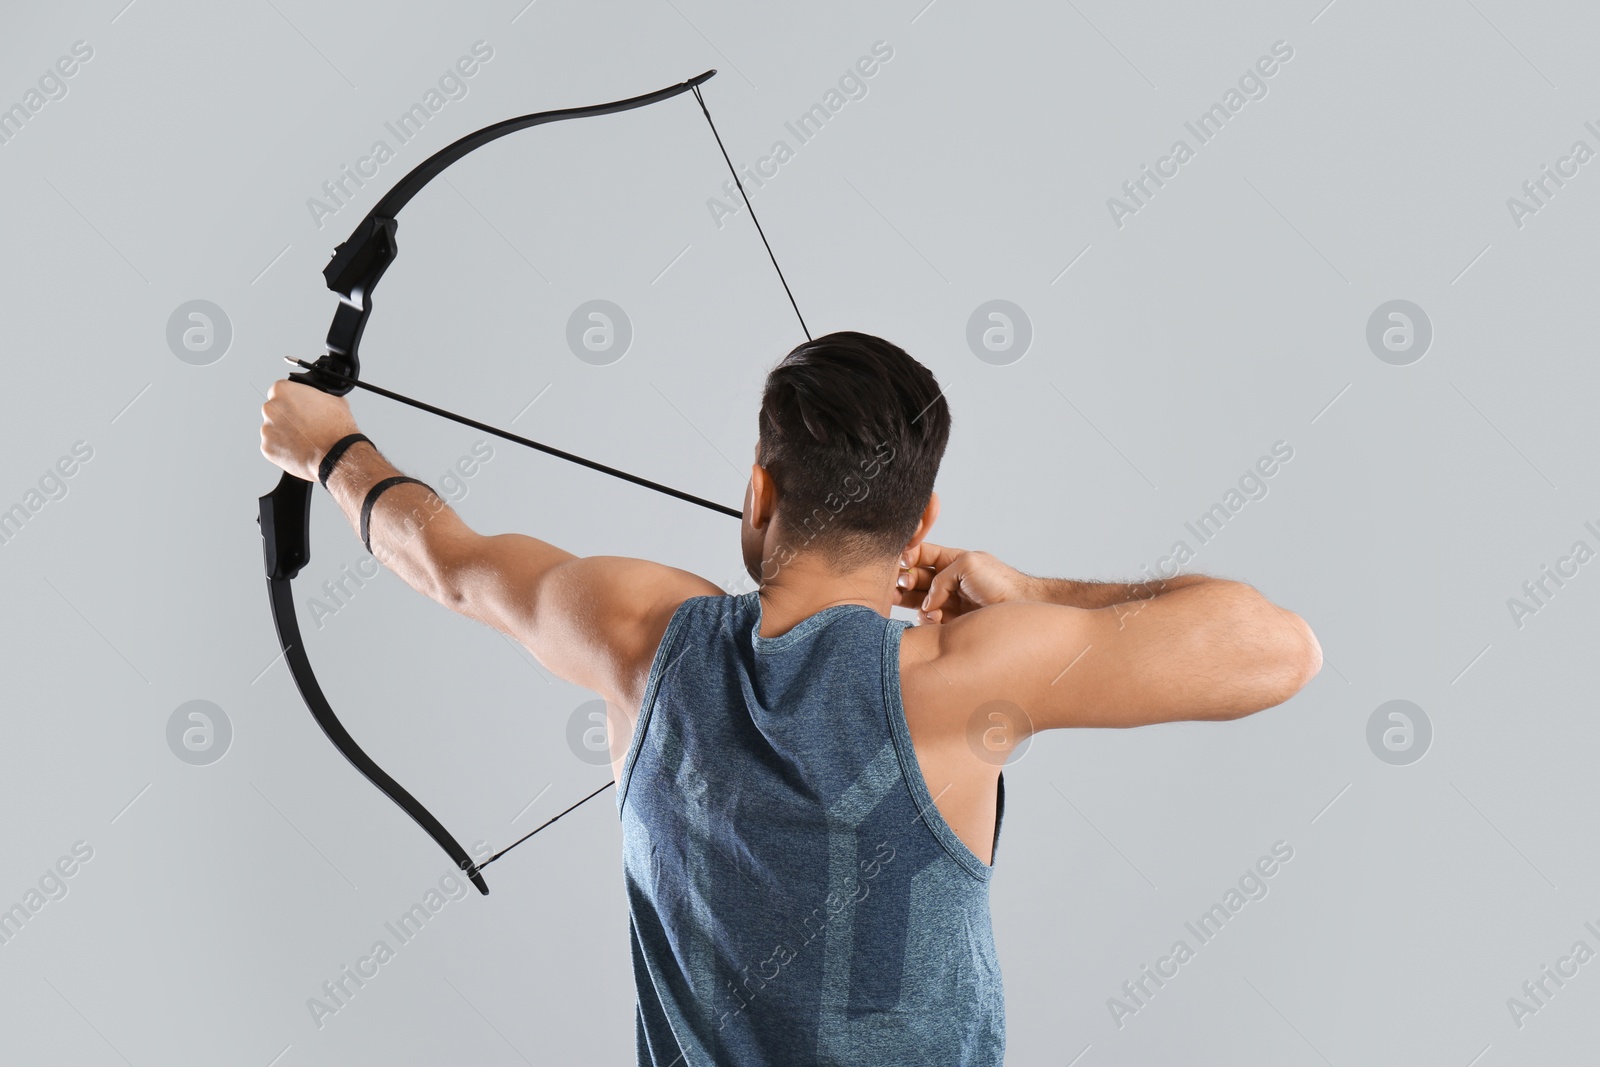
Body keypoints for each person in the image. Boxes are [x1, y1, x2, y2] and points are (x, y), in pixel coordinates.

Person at [260, 330, 1321, 1066]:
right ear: (924, 518)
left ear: (761, 491)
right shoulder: (966, 679)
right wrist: (1035, 589)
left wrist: (329, 446)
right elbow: (1281, 649)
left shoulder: (637, 632)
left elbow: (441, 552)